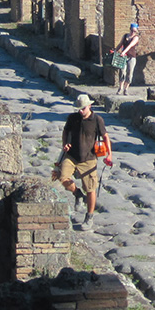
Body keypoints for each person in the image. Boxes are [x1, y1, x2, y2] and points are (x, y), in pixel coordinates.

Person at [52, 93, 112, 231]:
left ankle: (89, 216)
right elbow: (65, 131)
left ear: (89, 106)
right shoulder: (73, 118)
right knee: (62, 177)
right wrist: (65, 144)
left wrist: (109, 155)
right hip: (71, 156)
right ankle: (78, 194)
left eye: (83, 108)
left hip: (89, 159)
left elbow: (105, 137)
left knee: (91, 189)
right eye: (78, 108)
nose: (80, 111)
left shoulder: (97, 120)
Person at [114, 22, 140, 95]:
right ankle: (120, 88)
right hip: (124, 57)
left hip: (131, 57)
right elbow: (120, 44)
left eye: (134, 31)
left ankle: (126, 89)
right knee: (122, 72)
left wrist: (123, 52)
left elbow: (130, 46)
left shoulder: (136, 37)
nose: (133, 32)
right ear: (129, 29)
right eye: (132, 30)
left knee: (129, 73)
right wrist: (115, 51)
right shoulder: (125, 36)